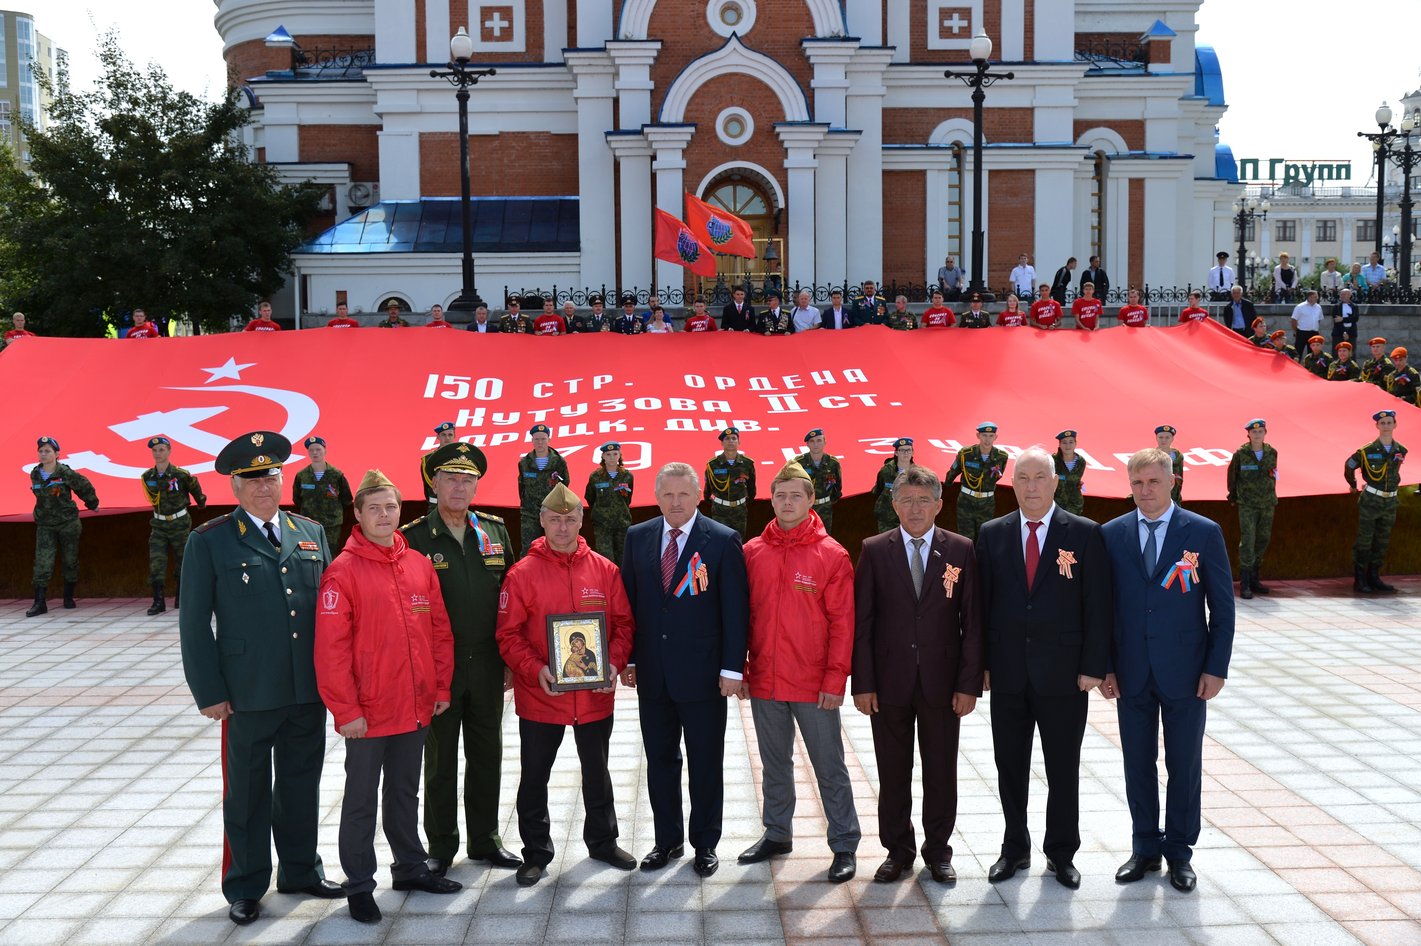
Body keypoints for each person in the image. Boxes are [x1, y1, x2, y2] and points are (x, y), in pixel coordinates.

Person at [178, 432, 344, 926]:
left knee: (300, 785)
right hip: (247, 693)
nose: (263, 486)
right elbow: (193, 623)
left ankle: (300, 870)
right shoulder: (210, 540)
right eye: (252, 479)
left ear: (281, 478)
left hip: (305, 690)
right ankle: (246, 885)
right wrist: (210, 691)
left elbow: (334, 615)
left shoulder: (309, 531)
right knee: (247, 792)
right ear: (235, 486)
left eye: (270, 475)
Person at [315, 470, 460, 924]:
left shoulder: (417, 563)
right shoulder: (342, 571)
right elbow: (330, 651)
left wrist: (439, 687)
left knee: (404, 793)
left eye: (391, 507)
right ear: (357, 514)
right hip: (368, 713)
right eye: (374, 508)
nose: (384, 515)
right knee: (360, 800)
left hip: (415, 706)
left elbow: (439, 630)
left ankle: (411, 868)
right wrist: (346, 710)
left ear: (402, 511)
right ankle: (359, 885)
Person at [1098, 448, 1234, 894]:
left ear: (1172, 481)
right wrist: (1105, 668)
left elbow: (1223, 607)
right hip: (1131, 673)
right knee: (1138, 763)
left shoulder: (1203, 532)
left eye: (1153, 482)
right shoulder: (1112, 534)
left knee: (1184, 764)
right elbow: (1102, 608)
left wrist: (1216, 668)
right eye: (1137, 483)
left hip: (1187, 673)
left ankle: (1179, 852)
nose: (1145, 491)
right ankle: (1143, 848)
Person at [977, 447, 1110, 889]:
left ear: (1056, 482)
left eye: (1039, 478)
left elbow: (1097, 606)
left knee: (1062, 768)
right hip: (1009, 674)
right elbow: (982, 609)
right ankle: (1014, 848)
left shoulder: (1086, 533)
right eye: (1022, 479)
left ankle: (1061, 853)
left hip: (1065, 675)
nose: (1030, 487)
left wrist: (1094, 666)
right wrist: (981, 666)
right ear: (1011, 484)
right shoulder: (992, 534)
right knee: (1009, 766)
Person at [494, 484, 635, 886]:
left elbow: (624, 625)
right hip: (542, 695)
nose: (562, 527)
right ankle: (536, 852)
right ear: (542, 521)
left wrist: (612, 663)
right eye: (554, 520)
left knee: (598, 771)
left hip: (594, 696)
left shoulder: (605, 570)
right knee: (535, 776)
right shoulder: (522, 574)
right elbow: (508, 634)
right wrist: (534, 668)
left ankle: (604, 842)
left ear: (580, 521)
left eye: (570, 519)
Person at [853, 465, 983, 884]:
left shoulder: (961, 550)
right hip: (888, 684)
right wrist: (864, 683)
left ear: (939, 505)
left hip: (943, 686)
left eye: (923, 500)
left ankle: (938, 851)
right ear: (893, 504)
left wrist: (968, 685)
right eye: (906, 500)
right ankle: (897, 850)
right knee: (892, 772)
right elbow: (864, 623)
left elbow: (973, 622)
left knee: (941, 770)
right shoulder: (874, 549)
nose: (914, 508)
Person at [620, 462, 749, 878]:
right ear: (657, 498)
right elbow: (631, 605)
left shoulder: (723, 540)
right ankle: (667, 840)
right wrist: (633, 658)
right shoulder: (637, 537)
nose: (675, 503)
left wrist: (732, 668)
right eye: (667, 495)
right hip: (653, 676)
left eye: (683, 495)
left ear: (698, 496)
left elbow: (735, 610)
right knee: (660, 760)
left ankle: (705, 843)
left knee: (705, 761)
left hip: (704, 675)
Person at [402, 441, 522, 876]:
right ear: (434, 484)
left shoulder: (494, 530)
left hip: (488, 661)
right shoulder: (413, 537)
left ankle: (486, 840)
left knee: (487, 750)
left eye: (467, 480)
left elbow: (511, 597)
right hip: (439, 666)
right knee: (440, 759)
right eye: (450, 478)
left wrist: (511, 658)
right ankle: (441, 844)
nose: (459, 486)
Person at [738, 463, 859, 883]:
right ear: (771, 499)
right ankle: (777, 832)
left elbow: (844, 624)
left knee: (829, 766)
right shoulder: (753, 551)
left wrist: (834, 679)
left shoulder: (832, 554)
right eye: (780, 495)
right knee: (774, 763)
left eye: (796, 496)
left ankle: (844, 843)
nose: (787, 503)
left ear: (811, 500)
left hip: (813, 683)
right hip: (767, 679)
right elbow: (742, 616)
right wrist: (743, 668)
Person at [25, 436, 99, 617]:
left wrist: (92, 503)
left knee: (69, 560)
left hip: (68, 523)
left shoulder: (65, 473)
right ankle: (39, 602)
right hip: (45, 525)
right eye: (41, 451)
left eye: (48, 451)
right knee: (42, 562)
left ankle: (68, 596)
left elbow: (84, 485)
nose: (44, 454)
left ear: (57, 454)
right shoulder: (35, 473)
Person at [141, 435, 207, 616]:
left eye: (161, 450)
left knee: (183, 561)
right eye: (154, 451)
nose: (158, 454)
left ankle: (181, 597)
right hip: (159, 524)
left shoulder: (180, 475)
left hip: (179, 523)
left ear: (169, 451)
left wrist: (201, 502)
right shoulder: (147, 477)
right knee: (156, 562)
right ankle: (158, 600)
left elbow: (195, 488)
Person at [1346, 410, 1408, 594]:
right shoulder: (1366, 451)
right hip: (1371, 500)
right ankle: (1360, 579)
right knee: (1364, 540)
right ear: (1377, 426)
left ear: (1395, 425)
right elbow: (1349, 466)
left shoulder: (1401, 450)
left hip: (1390, 501)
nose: (1386, 426)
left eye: (1389, 422)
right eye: (1383, 423)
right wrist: (1353, 484)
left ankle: (1374, 577)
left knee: (1382, 540)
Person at [1226, 419, 1278, 600]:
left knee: (1263, 539)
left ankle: (1255, 578)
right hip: (1247, 503)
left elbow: (1273, 475)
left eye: (1261, 431)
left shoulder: (1272, 452)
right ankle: (1245, 582)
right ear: (1248, 434)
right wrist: (1233, 495)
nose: (1257, 435)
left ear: (1265, 433)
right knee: (1248, 540)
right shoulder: (1241, 454)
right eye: (1254, 432)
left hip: (1267, 503)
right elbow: (1233, 476)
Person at [943, 422, 1009, 542]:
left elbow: (998, 475)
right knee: (965, 539)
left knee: (983, 538)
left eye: (991, 436)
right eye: (984, 435)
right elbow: (953, 471)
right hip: (966, 501)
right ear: (978, 436)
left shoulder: (1001, 457)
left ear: (996, 437)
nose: (987, 440)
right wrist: (947, 484)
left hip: (987, 503)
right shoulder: (966, 454)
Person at [290, 436, 353, 553]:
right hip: (309, 524)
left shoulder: (336, 475)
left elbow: (347, 499)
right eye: (311, 450)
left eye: (318, 449)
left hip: (331, 525)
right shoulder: (302, 475)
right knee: (311, 554)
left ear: (325, 451)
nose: (315, 453)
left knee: (330, 554)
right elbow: (297, 499)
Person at [517, 423, 570, 554]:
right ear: (532, 441)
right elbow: (521, 487)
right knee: (528, 549)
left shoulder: (559, 462)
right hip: (530, 513)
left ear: (548, 440)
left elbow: (565, 484)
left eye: (543, 439)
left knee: (555, 547)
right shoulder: (524, 463)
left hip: (553, 511)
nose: (540, 442)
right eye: (537, 439)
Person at [703, 426, 757, 538]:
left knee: (738, 541)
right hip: (720, 510)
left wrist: (743, 502)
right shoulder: (713, 464)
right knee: (719, 540)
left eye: (734, 438)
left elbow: (751, 488)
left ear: (739, 442)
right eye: (727, 439)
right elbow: (708, 488)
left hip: (739, 510)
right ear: (722, 443)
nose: (731, 441)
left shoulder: (747, 463)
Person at [585, 441, 634, 562]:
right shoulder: (595, 476)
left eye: (615, 454)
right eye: (608, 454)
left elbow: (628, 498)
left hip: (622, 523)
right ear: (603, 456)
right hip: (602, 525)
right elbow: (590, 497)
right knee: (606, 560)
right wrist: (600, 511)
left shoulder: (627, 476)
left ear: (619, 455)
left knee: (623, 558)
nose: (612, 457)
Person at [794, 428, 843, 534]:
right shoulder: (799, 463)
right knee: (803, 536)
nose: (815, 444)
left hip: (825, 507)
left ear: (825, 442)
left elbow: (837, 487)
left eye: (819, 440)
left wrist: (829, 501)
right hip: (805, 508)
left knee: (824, 537)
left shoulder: (833, 463)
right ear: (807, 444)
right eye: (812, 441)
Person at [872, 438, 915, 534]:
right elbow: (878, 490)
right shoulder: (886, 471)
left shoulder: (917, 473)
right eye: (902, 450)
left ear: (912, 453)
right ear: (896, 453)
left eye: (908, 450)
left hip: (908, 518)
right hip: (887, 518)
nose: (905, 453)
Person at [420, 421, 460, 504]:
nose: (447, 438)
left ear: (454, 436)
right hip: (435, 505)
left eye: (450, 435)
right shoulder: (427, 459)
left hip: (456, 503)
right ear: (438, 436)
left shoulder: (461, 458)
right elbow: (427, 486)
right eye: (443, 435)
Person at [1053, 430, 1086, 516]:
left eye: (1071, 442)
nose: (1068, 446)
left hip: (1074, 506)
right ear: (1059, 445)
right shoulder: (1052, 461)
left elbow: (1076, 482)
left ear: (1075, 444)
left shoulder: (1081, 462)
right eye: (1064, 443)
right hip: (1055, 504)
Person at [1290, 290, 1324, 359]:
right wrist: (1296, 331)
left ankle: (1311, 368)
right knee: (1298, 352)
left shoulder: (1318, 307)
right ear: (1309, 297)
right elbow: (1294, 320)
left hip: (1314, 333)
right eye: (1315, 297)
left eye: (1316, 297)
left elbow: (1319, 319)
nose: (1317, 298)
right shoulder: (1300, 307)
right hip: (1302, 332)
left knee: (1313, 352)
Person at [1155, 425, 1184, 504]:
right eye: (1161, 437)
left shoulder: (1178, 456)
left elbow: (1180, 476)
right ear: (1156, 438)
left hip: (1174, 494)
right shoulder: (1151, 456)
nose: (1164, 440)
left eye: (1167, 437)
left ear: (1172, 439)